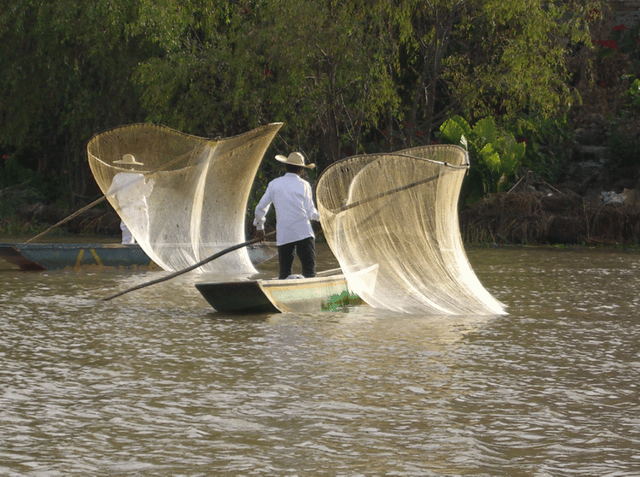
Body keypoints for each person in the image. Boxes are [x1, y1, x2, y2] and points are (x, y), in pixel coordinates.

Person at [254, 152, 320, 279]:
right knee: (309, 273)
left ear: (285, 167)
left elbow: (260, 208)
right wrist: (322, 217)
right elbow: (311, 212)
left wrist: (260, 228)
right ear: (301, 169)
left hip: (284, 234)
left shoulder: (274, 184)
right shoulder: (304, 185)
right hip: (303, 233)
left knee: (284, 274)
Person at [107, 154, 154, 245]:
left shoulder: (118, 177)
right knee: (143, 236)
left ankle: (127, 253)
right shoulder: (138, 176)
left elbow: (110, 195)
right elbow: (146, 193)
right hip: (139, 209)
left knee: (127, 238)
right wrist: (150, 184)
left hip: (127, 209)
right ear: (133, 165)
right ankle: (141, 254)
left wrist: (118, 206)